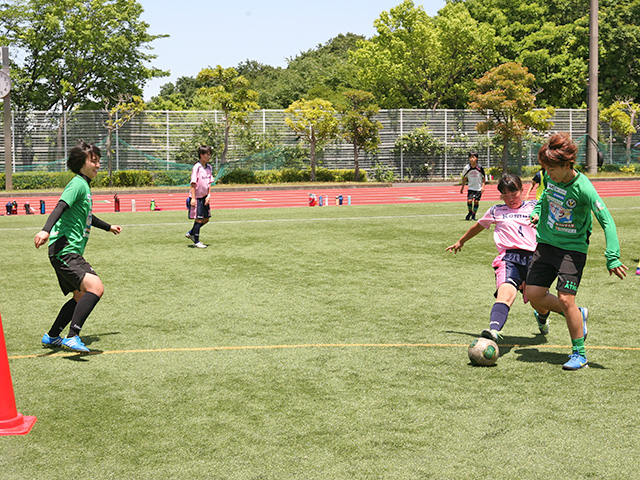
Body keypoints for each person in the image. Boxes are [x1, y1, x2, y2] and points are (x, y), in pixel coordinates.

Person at [526, 133, 627, 371]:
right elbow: (543, 199)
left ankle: (579, 353)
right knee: (534, 295)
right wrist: (537, 212)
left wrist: (612, 256)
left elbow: (607, 220)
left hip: (572, 250)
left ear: (566, 165)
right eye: (545, 168)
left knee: (564, 298)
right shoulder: (550, 179)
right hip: (546, 244)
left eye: (551, 168)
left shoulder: (584, 188)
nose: (547, 173)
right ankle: (576, 315)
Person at [34, 141, 122, 353]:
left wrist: (108, 227)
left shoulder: (84, 186)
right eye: (94, 161)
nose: (98, 165)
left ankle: (52, 336)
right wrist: (45, 229)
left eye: (99, 161)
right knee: (96, 288)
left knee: (80, 296)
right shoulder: (77, 184)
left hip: (65, 250)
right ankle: (72, 336)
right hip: (64, 250)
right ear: (81, 163)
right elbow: (61, 206)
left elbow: (87, 217)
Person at [446, 174, 550, 341]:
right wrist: (461, 241)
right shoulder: (496, 210)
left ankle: (542, 317)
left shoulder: (535, 206)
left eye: (513, 194)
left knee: (539, 303)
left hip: (535, 260)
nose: (510, 199)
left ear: (522, 190)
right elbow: (478, 226)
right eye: (505, 195)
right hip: (509, 259)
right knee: (505, 293)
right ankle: (493, 331)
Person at [185, 145, 213, 248]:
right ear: (201, 155)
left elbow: (209, 182)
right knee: (198, 219)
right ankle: (196, 241)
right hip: (197, 197)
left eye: (210, 154)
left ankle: (192, 232)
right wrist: (193, 198)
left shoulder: (209, 167)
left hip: (205, 197)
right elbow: (193, 183)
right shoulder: (196, 167)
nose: (209, 157)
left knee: (206, 219)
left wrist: (209, 194)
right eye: (207, 154)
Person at [460, 151, 486, 220]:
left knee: (476, 201)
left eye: (473, 157)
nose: (472, 159)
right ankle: (470, 212)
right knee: (469, 201)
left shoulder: (480, 167)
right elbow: (465, 178)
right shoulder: (467, 168)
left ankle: (474, 215)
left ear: (476, 158)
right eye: (470, 157)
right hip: (471, 187)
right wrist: (462, 187)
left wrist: (483, 186)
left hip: (478, 188)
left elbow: (483, 177)